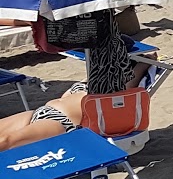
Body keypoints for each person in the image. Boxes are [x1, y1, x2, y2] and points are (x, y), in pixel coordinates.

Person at [0, 19, 149, 153]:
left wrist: (144, 62)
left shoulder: (116, 89)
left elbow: (134, 78)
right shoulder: (95, 78)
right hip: (40, 112)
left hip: (59, 122)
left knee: (6, 142)